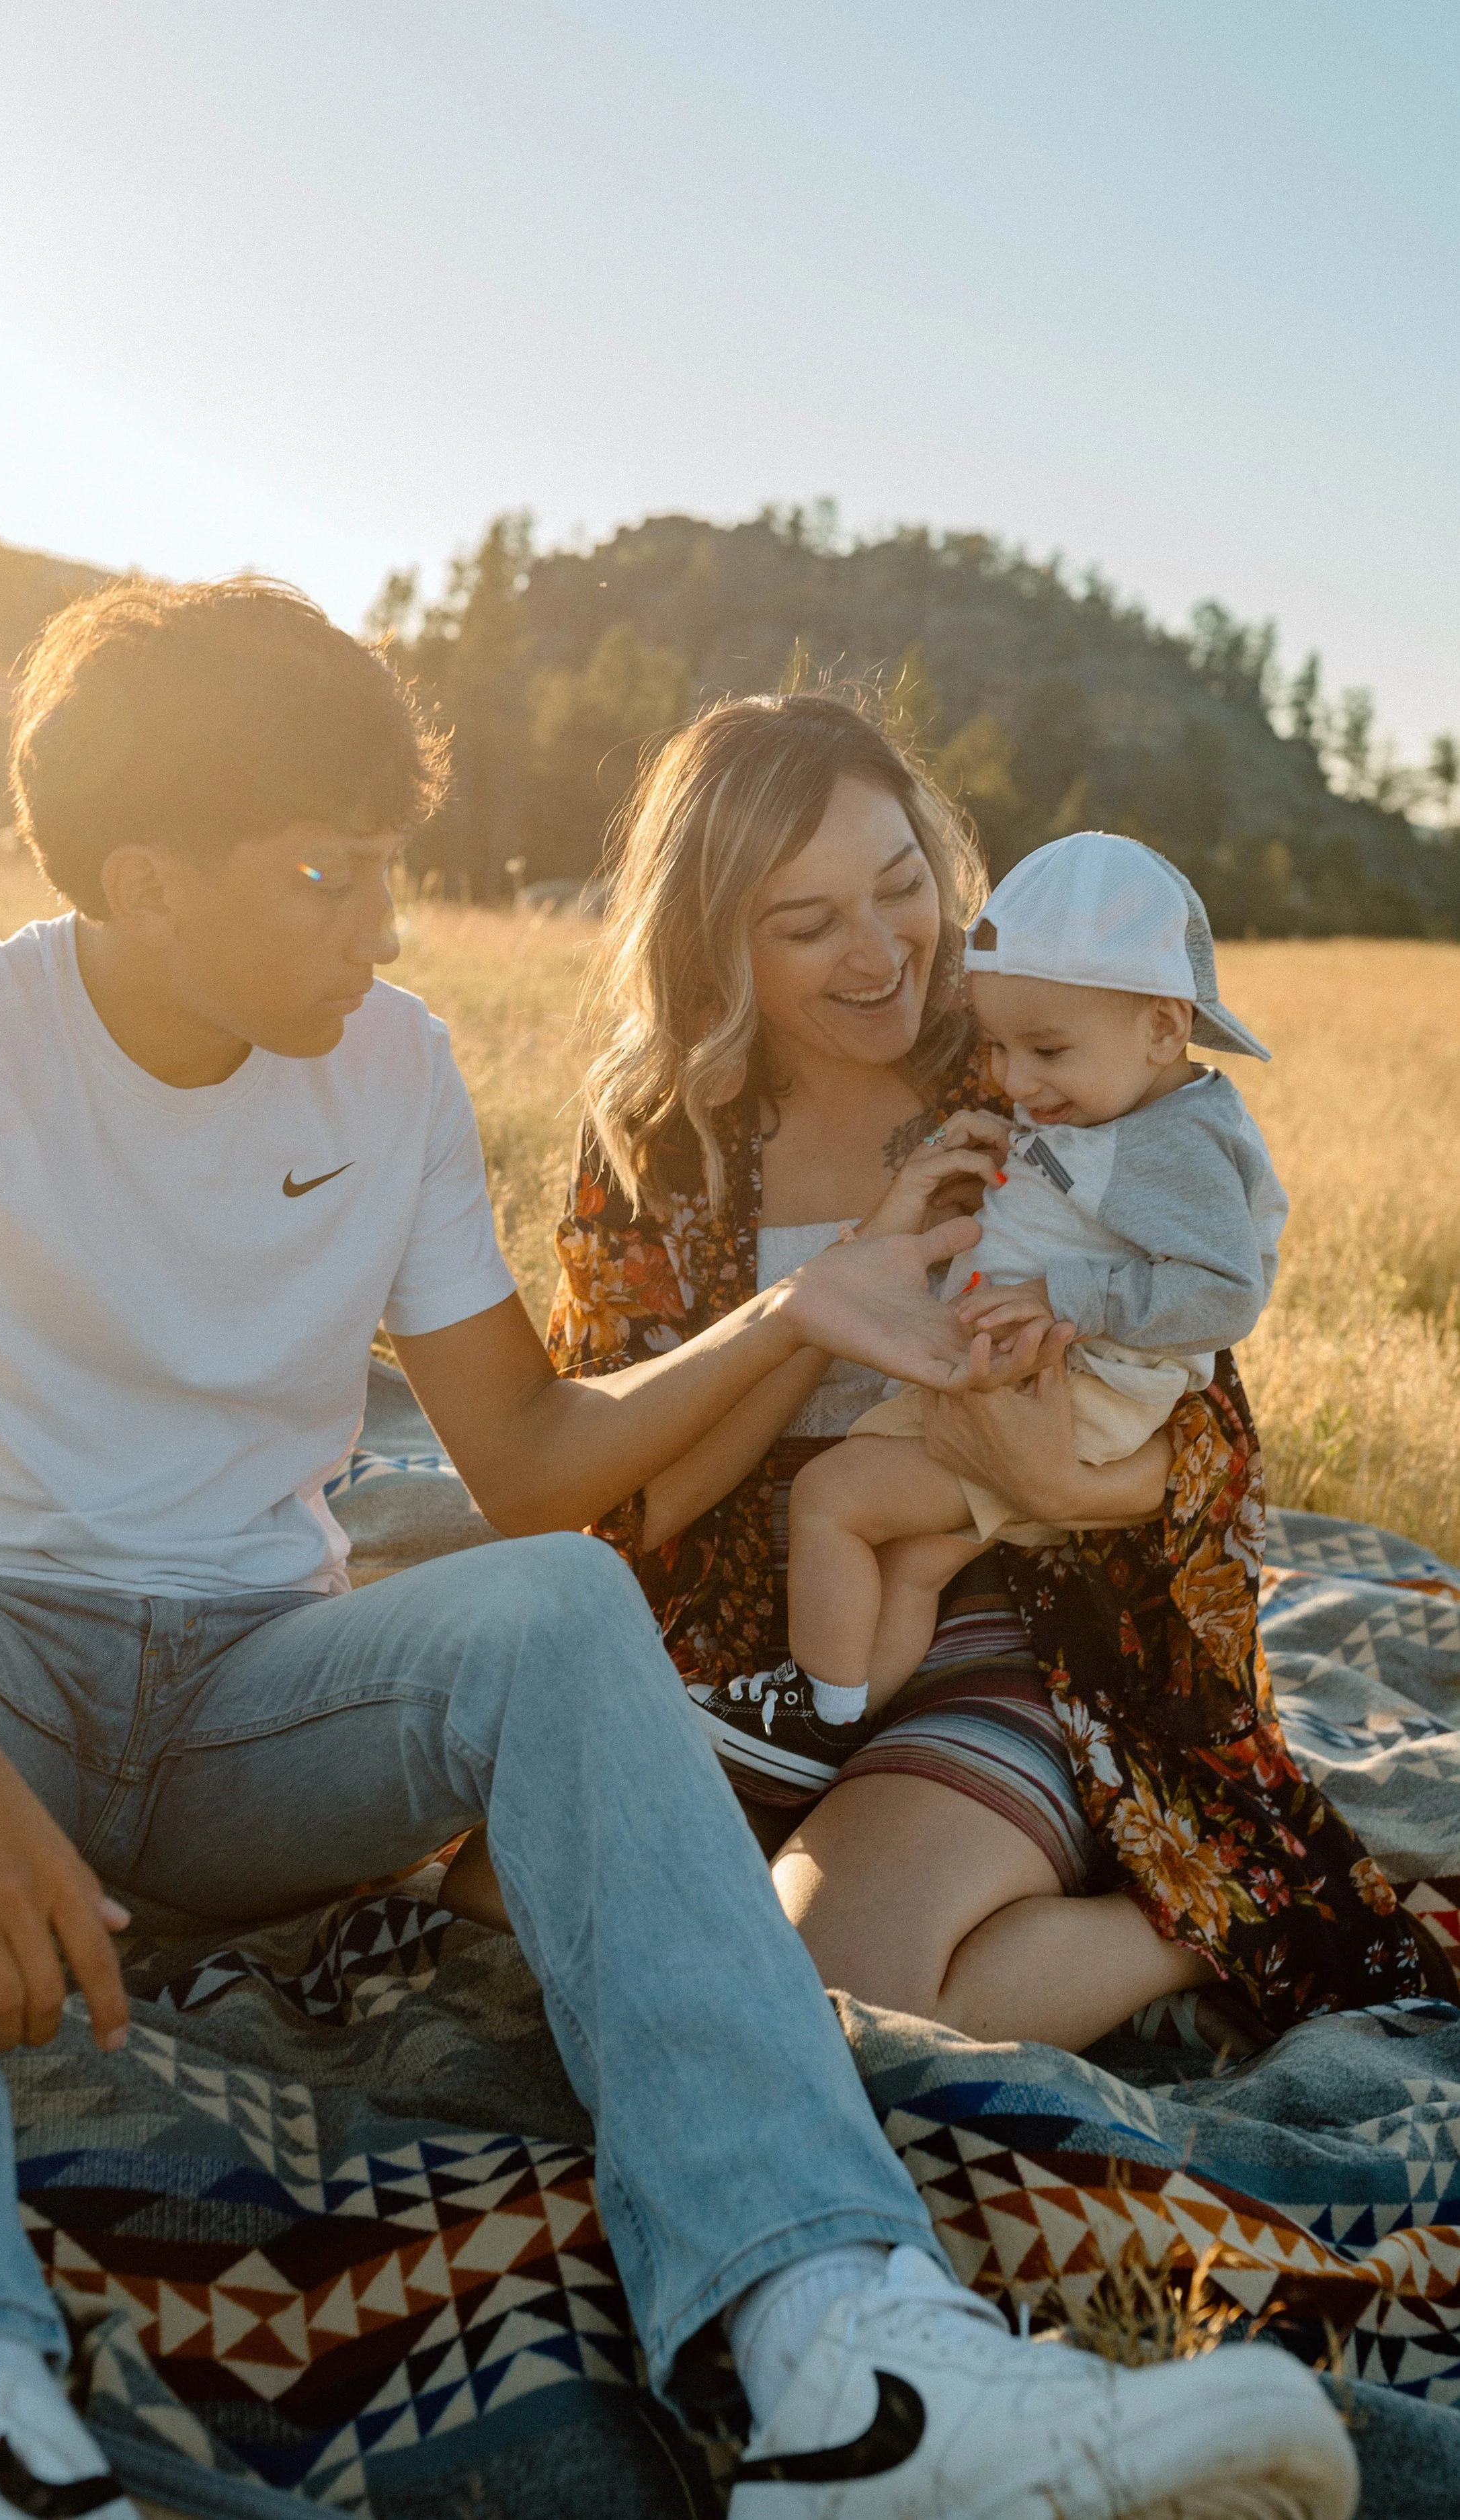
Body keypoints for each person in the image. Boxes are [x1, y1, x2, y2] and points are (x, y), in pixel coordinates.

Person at [0, 579, 1356, 2520]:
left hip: (248, 1707)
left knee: (556, 1598)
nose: (383, 920)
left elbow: (531, 1470)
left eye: (389, 868)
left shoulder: (394, 1063)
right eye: (324, 874)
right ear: (145, 880)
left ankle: (847, 2360)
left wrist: (798, 1317)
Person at [549, 689, 1446, 2055]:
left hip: (1033, 1613)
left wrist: (1057, 1483)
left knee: (833, 1984)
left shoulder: (1031, 1055)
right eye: (806, 925)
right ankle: (977, 1833)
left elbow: (1202, 1414)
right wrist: (814, 1306)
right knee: (520, 1895)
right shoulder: (659, 1144)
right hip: (753, 1643)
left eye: (901, 887)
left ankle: (1211, 1918)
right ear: (713, 945)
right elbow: (627, 1503)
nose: (880, 956)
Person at [731, 829, 1288, 1747]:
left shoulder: (1171, 1141)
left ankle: (806, 1716)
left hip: (1064, 1398)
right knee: (912, 1562)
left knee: (830, 1499)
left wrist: (1065, 1293)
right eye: (997, 1046)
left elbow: (1226, 1295)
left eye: (1047, 1050)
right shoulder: (1126, 1101)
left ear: (1163, 1025)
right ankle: (849, 1714)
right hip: (1039, 1385)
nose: (1015, 1081)